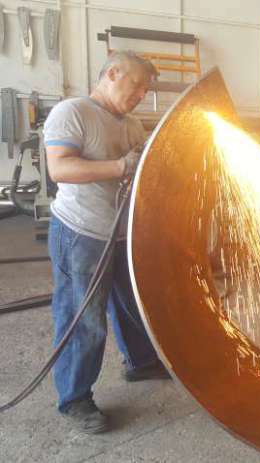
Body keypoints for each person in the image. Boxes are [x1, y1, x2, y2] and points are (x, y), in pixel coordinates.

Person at [43, 51, 170, 435]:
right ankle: (74, 398)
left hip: (121, 233)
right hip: (81, 231)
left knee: (132, 304)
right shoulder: (73, 112)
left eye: (146, 90)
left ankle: (140, 362)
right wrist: (119, 166)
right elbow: (59, 167)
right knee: (84, 317)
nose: (141, 95)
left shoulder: (132, 124)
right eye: (137, 85)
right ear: (112, 73)